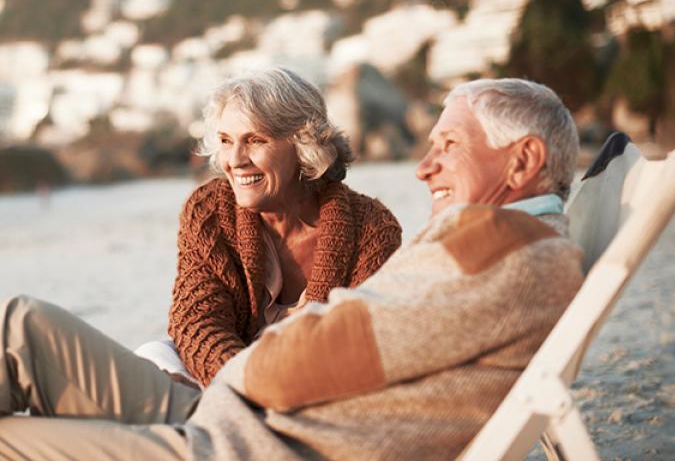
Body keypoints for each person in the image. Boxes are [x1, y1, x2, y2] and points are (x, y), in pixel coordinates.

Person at [0, 78, 585, 460]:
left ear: (523, 161)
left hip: (246, 440)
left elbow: (329, 350)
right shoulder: (520, 253)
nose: (423, 168)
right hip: (243, 415)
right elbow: (215, 325)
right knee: (18, 324)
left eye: (448, 145)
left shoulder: (498, 248)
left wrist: (231, 380)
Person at [138, 67, 402, 386]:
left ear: (304, 145)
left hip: (312, 388)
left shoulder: (371, 227)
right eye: (225, 140)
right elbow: (197, 323)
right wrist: (248, 388)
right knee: (151, 355)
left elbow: (361, 343)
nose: (235, 160)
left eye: (255, 140)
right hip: (231, 381)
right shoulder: (209, 209)